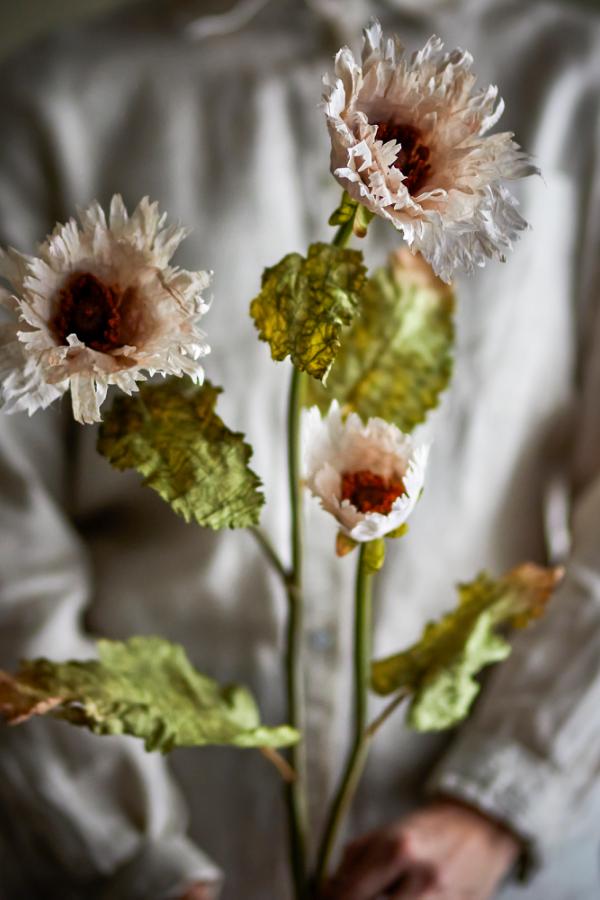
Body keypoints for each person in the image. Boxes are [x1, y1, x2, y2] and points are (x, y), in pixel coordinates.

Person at [0, 0, 599, 898]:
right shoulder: (55, 101)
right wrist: (130, 858)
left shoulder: (572, 83)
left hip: (486, 861)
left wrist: (497, 803)